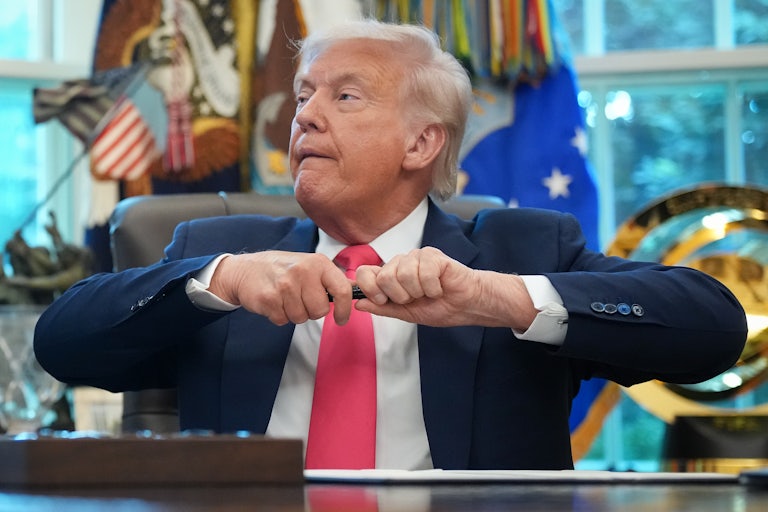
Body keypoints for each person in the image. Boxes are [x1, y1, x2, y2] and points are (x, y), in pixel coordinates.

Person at [35, 19, 747, 471]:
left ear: (421, 142)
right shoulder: (223, 250)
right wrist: (217, 281)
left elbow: (713, 328)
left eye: (344, 97)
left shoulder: (525, 245)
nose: (304, 115)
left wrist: (497, 297)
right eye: (305, 94)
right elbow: (62, 344)